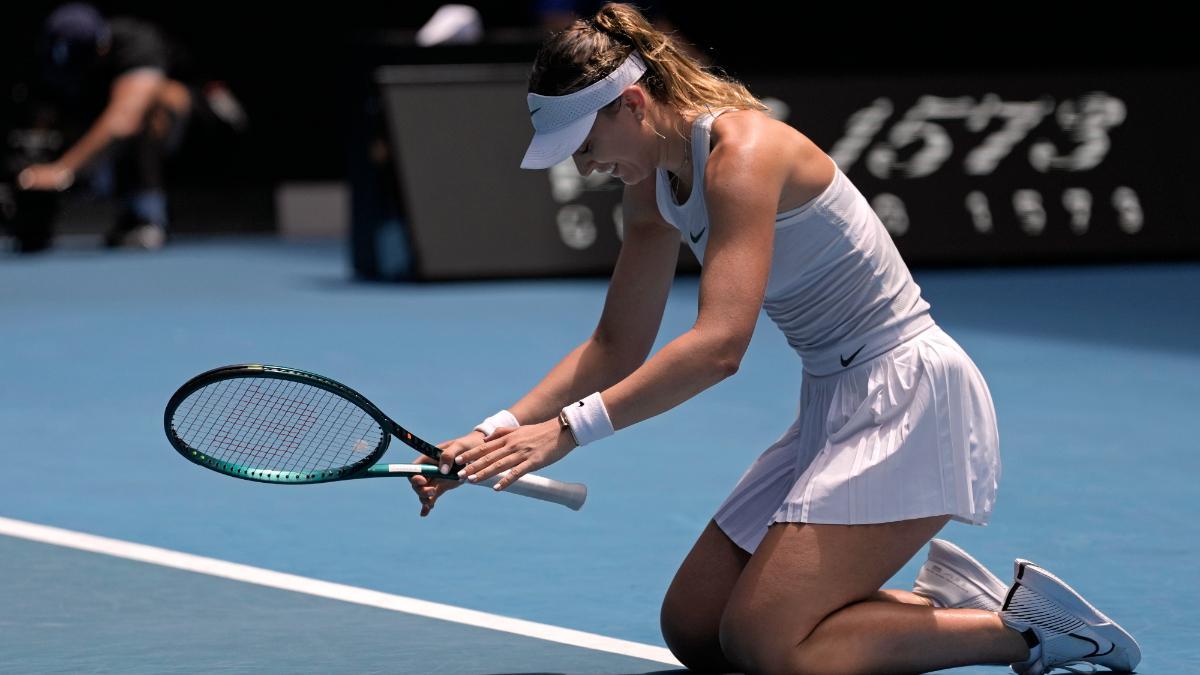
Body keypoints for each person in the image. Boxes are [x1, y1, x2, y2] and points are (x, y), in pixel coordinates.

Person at [409, 4, 1140, 673]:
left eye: (587, 141)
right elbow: (615, 344)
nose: (584, 164)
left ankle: (1028, 629)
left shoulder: (744, 152)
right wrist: (496, 428)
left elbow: (721, 346)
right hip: (833, 401)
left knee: (769, 644)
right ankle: (942, 605)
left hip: (911, 401)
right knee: (695, 627)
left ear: (631, 103)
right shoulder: (652, 180)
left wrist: (568, 429)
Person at [16, 3, 246, 250]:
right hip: (137, 137)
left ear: (101, 48)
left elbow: (124, 119)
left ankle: (148, 216)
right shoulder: (61, 58)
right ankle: (124, 209)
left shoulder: (137, 43)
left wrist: (62, 170)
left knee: (149, 104)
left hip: (210, 127)